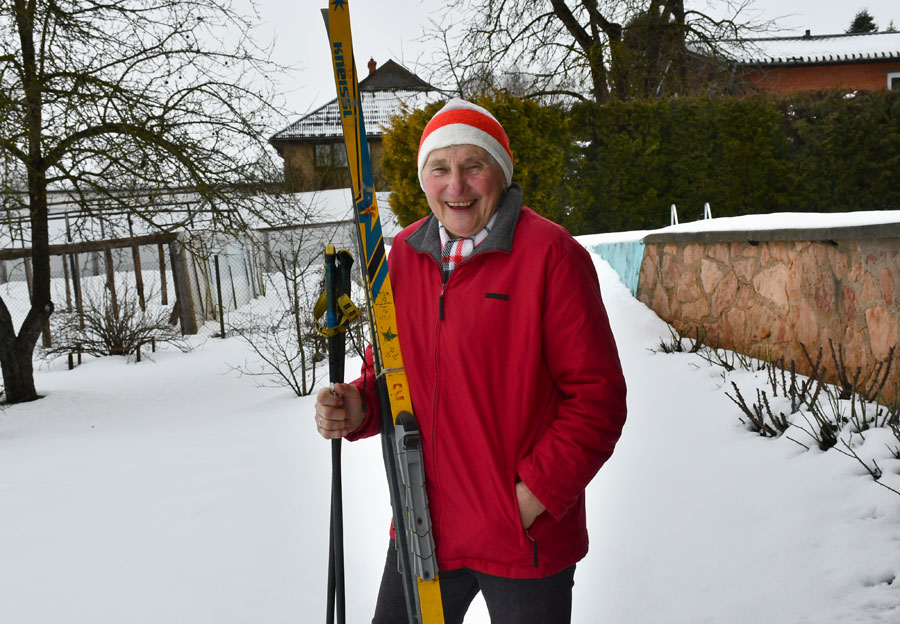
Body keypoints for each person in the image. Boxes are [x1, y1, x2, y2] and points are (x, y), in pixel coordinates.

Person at [314, 98, 627, 624]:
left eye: (472, 166)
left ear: (499, 174)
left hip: (521, 537)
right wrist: (358, 404)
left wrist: (530, 500)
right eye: (440, 168)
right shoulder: (404, 258)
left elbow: (597, 400)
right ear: (423, 179)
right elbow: (389, 371)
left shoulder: (551, 256)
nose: (455, 185)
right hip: (423, 523)